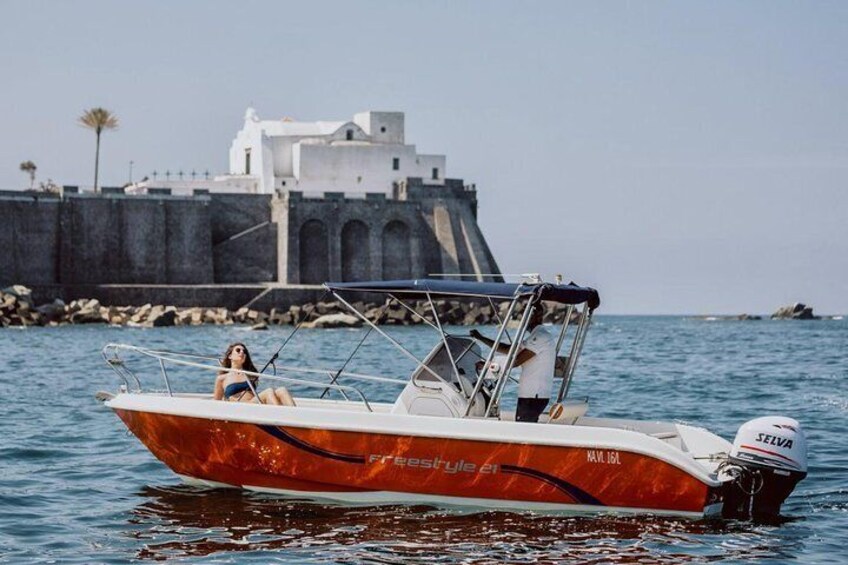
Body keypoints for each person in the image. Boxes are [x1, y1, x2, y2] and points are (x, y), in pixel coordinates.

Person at [470, 303, 555, 422]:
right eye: (523, 315)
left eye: (526, 315)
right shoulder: (536, 336)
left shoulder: (540, 337)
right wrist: (481, 338)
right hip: (532, 394)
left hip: (534, 395)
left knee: (523, 428)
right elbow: (509, 349)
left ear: (536, 316)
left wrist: (488, 366)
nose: (523, 319)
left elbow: (516, 361)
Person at [214, 342, 296, 406]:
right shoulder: (222, 378)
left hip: (254, 406)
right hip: (239, 408)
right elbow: (216, 403)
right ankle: (280, 420)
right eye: (238, 350)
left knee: (282, 390)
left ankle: (296, 418)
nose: (242, 352)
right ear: (230, 356)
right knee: (269, 391)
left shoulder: (250, 374)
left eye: (244, 351)